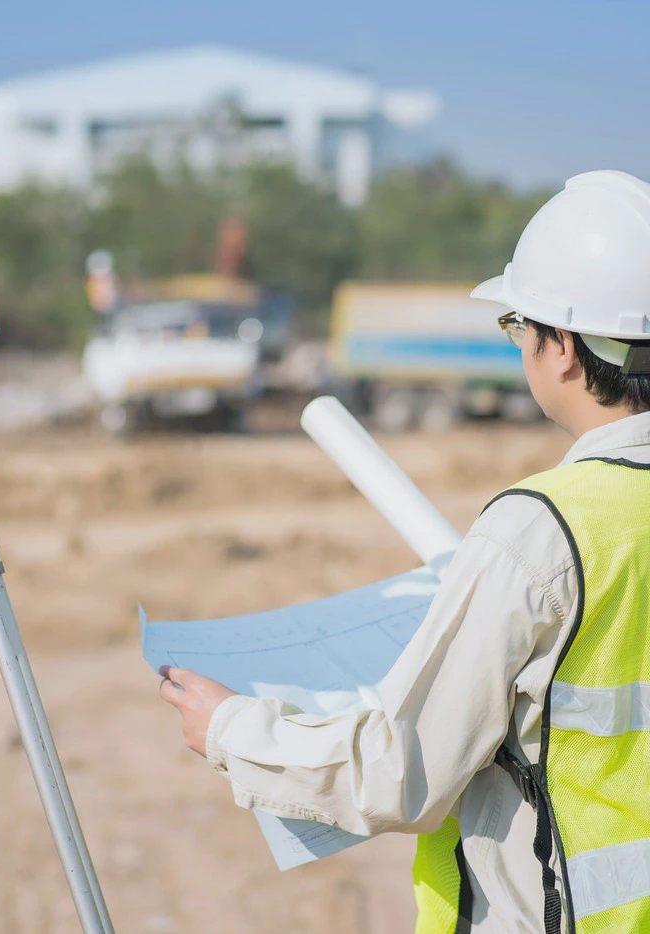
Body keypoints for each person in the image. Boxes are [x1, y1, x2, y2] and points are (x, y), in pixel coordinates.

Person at [158, 169, 650, 933]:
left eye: (519, 324)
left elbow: (402, 771)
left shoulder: (539, 534)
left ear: (562, 346)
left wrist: (231, 731)